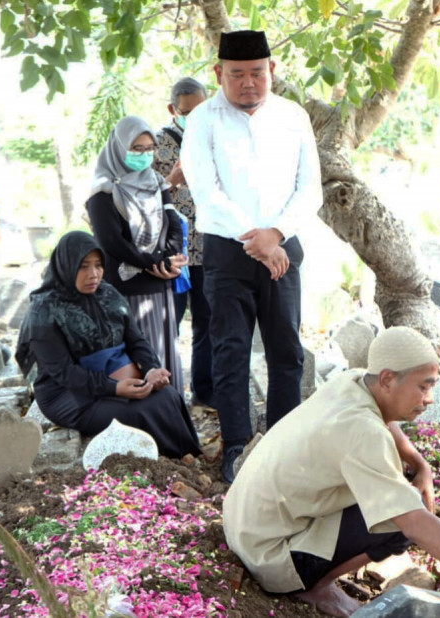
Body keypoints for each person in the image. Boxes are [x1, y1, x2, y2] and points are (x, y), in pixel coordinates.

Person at [223, 327, 440, 617]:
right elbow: (417, 524)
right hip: (271, 557)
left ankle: (315, 573)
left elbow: (387, 421)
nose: (430, 399)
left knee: (399, 490)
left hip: (244, 526)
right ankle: (315, 587)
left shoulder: (353, 381)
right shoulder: (363, 432)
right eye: (424, 386)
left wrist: (420, 464)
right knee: (404, 520)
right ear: (387, 379)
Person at [181, 30, 321, 483]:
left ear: (272, 71)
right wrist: (257, 239)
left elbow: (310, 189)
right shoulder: (203, 119)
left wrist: (275, 235)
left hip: (283, 245)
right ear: (219, 74)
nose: (248, 83)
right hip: (227, 249)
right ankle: (237, 448)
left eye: (257, 73)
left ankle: (282, 443)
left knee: (287, 352)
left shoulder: (294, 117)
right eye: (237, 74)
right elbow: (206, 190)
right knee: (230, 351)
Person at [14, 231, 201, 458]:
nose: (93, 274)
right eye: (83, 266)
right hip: (67, 393)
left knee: (167, 397)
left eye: (98, 265)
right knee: (136, 412)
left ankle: (186, 461)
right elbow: (64, 373)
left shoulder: (109, 294)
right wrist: (114, 388)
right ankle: (165, 469)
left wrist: (151, 369)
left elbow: (136, 340)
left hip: (113, 376)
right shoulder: (44, 310)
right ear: (66, 266)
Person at [86, 116, 189, 395]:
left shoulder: (157, 183)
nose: (144, 155)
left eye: (148, 148)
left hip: (161, 284)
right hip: (126, 288)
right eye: (136, 148)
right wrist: (153, 263)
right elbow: (112, 242)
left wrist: (169, 259)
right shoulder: (103, 191)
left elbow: (174, 223)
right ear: (118, 147)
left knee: (165, 350)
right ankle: (144, 425)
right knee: (140, 355)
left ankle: (171, 416)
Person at [153, 77, 213, 407]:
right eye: (188, 112)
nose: (195, 118)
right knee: (168, 326)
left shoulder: (215, 141)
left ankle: (204, 392)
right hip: (170, 255)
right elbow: (141, 196)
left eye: (202, 110)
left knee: (207, 324)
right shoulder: (155, 144)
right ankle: (168, 395)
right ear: (173, 110)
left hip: (208, 251)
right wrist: (171, 181)